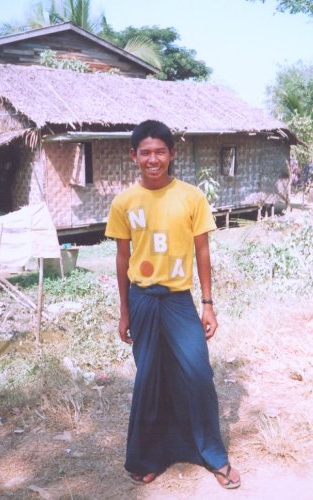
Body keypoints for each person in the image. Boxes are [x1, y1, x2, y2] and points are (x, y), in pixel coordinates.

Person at [105, 120, 241, 489]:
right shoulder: (124, 202)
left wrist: (208, 304)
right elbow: (122, 258)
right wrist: (125, 311)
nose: (153, 159)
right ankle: (150, 457)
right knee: (150, 377)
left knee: (198, 374)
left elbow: (202, 250)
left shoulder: (191, 197)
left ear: (172, 153)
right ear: (133, 156)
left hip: (180, 300)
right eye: (145, 152)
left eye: (160, 151)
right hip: (143, 299)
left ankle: (213, 455)